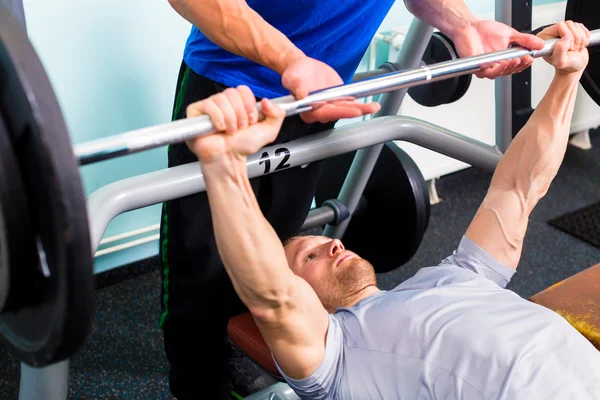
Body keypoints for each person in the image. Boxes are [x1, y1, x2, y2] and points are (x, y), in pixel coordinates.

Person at [184, 21, 600, 399]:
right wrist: (223, 164)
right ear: (305, 301)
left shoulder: (459, 274)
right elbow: (272, 296)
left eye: (323, 241)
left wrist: (567, 76)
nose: (331, 246)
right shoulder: (334, 360)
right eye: (308, 256)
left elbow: (517, 188)